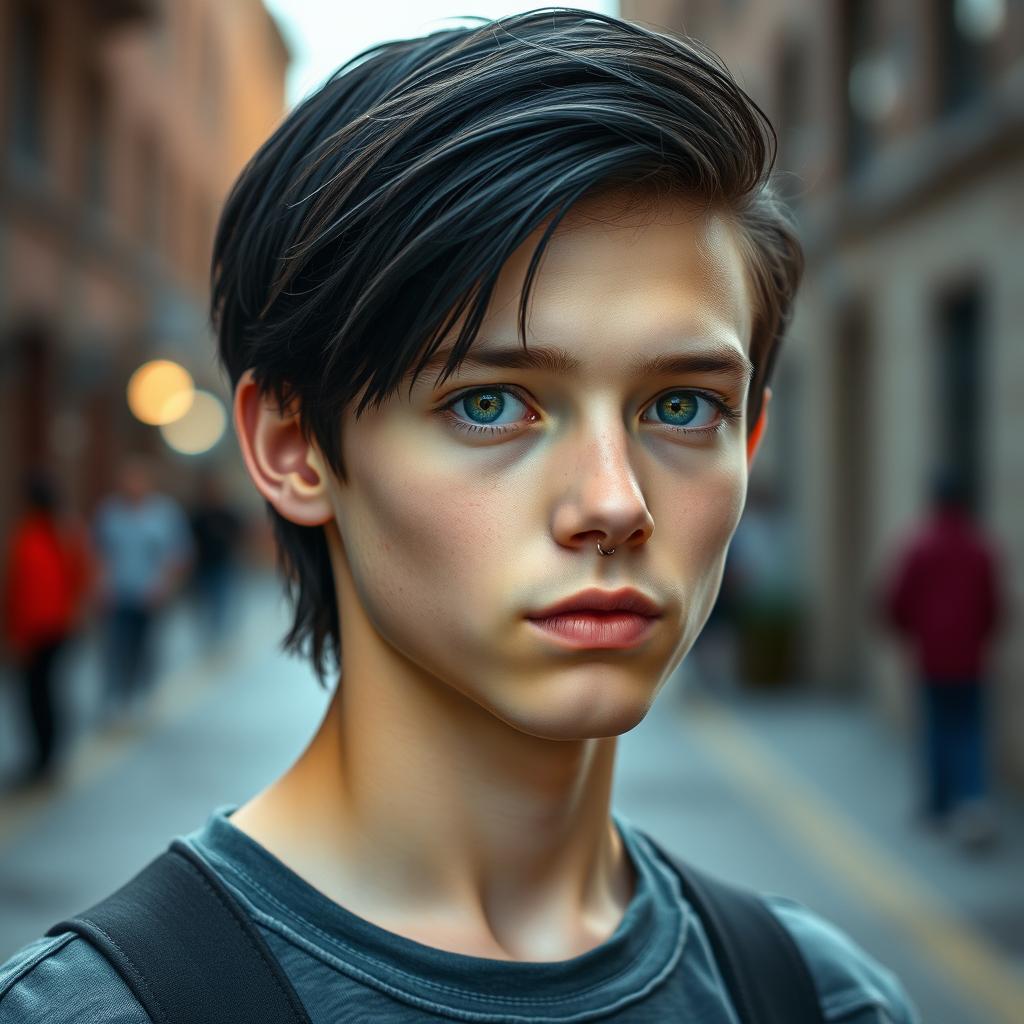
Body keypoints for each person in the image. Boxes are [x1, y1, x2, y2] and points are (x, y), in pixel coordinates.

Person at [0, 11, 919, 1022]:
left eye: (681, 406)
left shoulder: (822, 999)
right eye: (489, 404)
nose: (613, 503)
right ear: (293, 446)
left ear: (747, 440)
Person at [882, 469, 1003, 849]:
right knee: (969, 730)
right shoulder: (981, 547)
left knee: (936, 730)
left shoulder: (921, 546)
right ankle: (972, 803)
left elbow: (897, 601)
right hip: (970, 658)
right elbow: (994, 605)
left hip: (932, 658)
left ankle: (939, 806)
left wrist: (909, 636)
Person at [1, 472, 94, 785]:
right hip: (51, 626)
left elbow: (19, 589)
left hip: (45, 629)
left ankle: (45, 757)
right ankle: (45, 756)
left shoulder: (38, 535)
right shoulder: (58, 532)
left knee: (39, 693)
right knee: (41, 692)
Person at [91, 455, 194, 716]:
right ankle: (115, 697)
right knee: (116, 647)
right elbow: (99, 553)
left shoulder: (164, 513)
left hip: (150, 595)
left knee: (145, 648)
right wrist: (102, 586)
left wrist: (164, 586)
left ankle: (141, 695)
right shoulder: (109, 513)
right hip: (118, 593)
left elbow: (178, 555)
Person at [188, 469, 246, 654]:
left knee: (223, 601)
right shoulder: (198, 515)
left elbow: (239, 536)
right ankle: (209, 636)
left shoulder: (228, 514)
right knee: (206, 602)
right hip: (203, 566)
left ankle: (221, 637)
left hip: (224, 565)